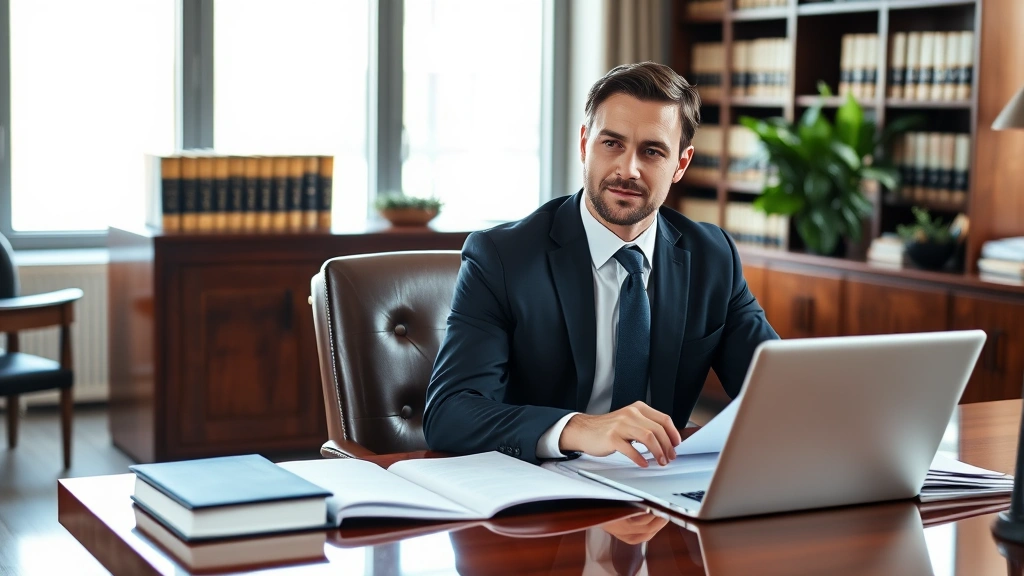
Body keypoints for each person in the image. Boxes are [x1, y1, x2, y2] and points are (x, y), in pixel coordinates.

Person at [423, 61, 778, 467]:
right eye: (612, 143)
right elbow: (450, 413)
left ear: (681, 164)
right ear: (583, 144)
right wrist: (579, 428)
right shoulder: (503, 258)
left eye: (652, 151)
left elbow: (776, 393)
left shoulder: (713, 257)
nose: (628, 169)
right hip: (541, 493)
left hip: (659, 489)